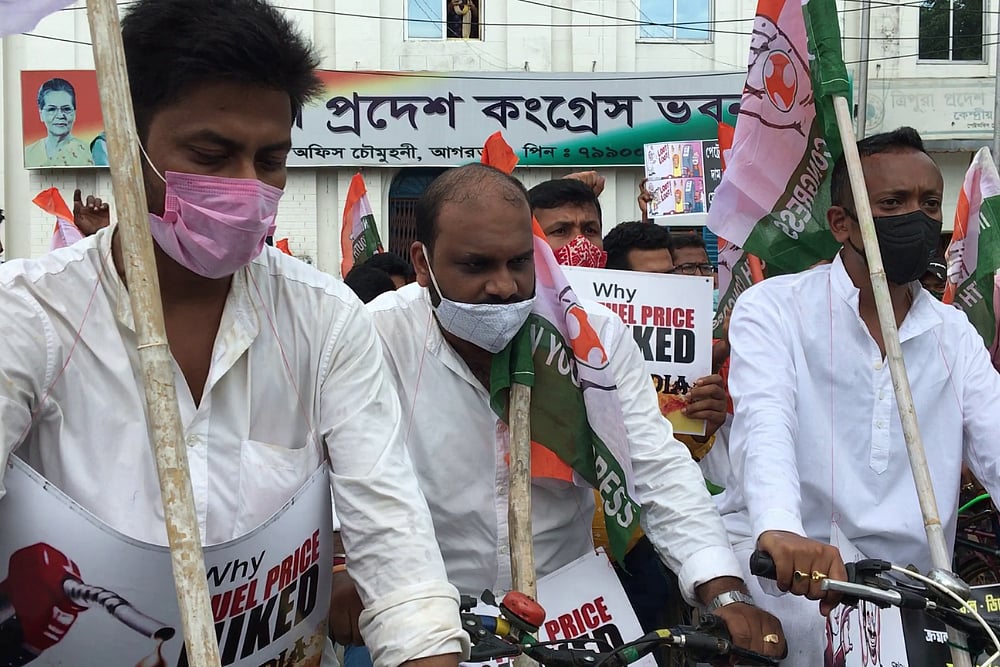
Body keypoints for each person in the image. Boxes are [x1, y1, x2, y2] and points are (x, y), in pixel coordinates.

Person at [0, 1, 466, 666]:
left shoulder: (325, 321)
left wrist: (421, 642)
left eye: (271, 158)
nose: (248, 188)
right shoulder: (29, 317)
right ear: (127, 141)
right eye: (211, 154)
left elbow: (397, 554)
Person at [361, 164, 787, 661]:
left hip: (571, 619)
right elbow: (350, 484)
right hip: (428, 621)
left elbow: (655, 467)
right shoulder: (375, 339)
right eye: (476, 266)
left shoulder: (591, 336)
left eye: (519, 262)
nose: (503, 287)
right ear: (422, 261)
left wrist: (725, 592)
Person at [721, 127, 1000, 666]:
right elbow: (765, 424)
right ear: (841, 223)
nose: (917, 218)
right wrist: (780, 528)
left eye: (929, 203)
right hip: (794, 589)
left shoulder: (953, 333)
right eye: (892, 203)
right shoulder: (774, 309)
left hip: (915, 603)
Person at [23, 78, 95, 167]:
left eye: (66, 109)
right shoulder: (27, 155)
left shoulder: (90, 153)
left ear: (75, 113)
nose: (60, 115)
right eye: (52, 109)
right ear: (41, 114)